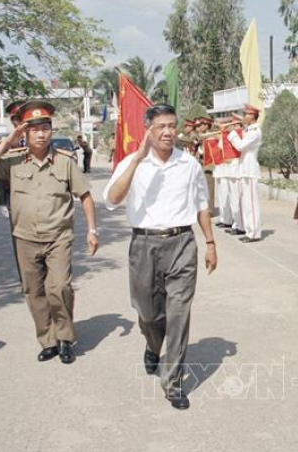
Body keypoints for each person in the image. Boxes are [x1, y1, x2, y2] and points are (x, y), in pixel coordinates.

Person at [104, 104, 217, 410]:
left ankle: (174, 382)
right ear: (149, 130)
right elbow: (113, 199)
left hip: (182, 242)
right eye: (161, 127)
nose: (168, 132)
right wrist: (138, 160)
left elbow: (202, 205)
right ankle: (153, 346)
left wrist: (209, 242)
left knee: (179, 314)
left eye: (172, 126)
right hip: (144, 245)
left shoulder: (189, 164)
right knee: (149, 314)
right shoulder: (133, 162)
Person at [0, 100, 99, 365]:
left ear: (51, 131)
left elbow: (86, 197)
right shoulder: (13, 162)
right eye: (34, 130)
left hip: (58, 237)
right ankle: (48, 340)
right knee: (34, 291)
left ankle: (66, 338)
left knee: (59, 287)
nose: (41, 134)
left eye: (45, 128)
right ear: (25, 132)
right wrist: (10, 139)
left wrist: (92, 230)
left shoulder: (65, 163)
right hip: (24, 238)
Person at [227, 104, 263, 242]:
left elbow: (240, 146)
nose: (244, 117)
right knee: (246, 203)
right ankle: (248, 229)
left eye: (246, 114)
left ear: (252, 116)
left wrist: (232, 134)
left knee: (252, 204)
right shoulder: (249, 130)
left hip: (250, 170)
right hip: (244, 169)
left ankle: (254, 233)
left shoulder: (255, 132)